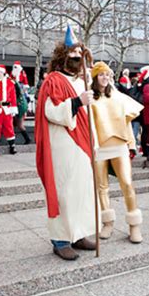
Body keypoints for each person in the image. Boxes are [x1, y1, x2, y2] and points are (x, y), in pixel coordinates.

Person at [35, 26, 98, 261]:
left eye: (81, 53)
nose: (77, 57)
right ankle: (61, 240)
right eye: (73, 53)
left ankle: (78, 233)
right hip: (63, 143)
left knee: (81, 190)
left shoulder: (82, 81)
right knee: (65, 191)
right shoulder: (54, 80)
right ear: (63, 57)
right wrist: (78, 101)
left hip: (82, 144)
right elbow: (52, 111)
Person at [90, 62, 144, 243]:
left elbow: (127, 121)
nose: (105, 78)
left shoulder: (118, 97)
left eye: (108, 74)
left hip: (119, 144)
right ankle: (108, 223)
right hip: (99, 147)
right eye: (101, 74)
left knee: (127, 183)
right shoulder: (90, 98)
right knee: (102, 187)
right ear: (95, 77)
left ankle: (134, 225)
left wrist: (131, 143)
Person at [0, 65, 18, 155]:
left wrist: (13, 108)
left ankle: (12, 146)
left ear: (2, 72)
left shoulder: (10, 83)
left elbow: (13, 97)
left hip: (7, 108)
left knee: (9, 127)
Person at [11, 62, 31, 145]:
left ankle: (26, 139)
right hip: (21, 104)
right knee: (16, 123)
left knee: (19, 124)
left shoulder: (18, 85)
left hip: (20, 105)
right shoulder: (18, 84)